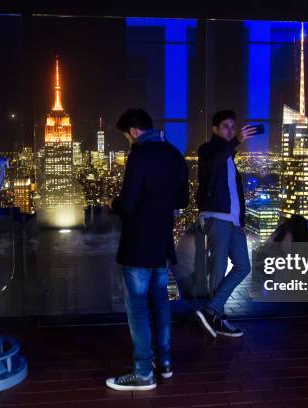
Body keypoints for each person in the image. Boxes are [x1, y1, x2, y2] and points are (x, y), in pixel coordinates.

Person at [105, 108, 189, 391]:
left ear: (134, 131)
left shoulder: (140, 155)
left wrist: (112, 203)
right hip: (163, 243)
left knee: (138, 308)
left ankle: (143, 374)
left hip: (138, 244)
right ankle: (164, 364)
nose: (128, 141)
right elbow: (183, 200)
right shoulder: (175, 154)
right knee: (161, 304)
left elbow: (127, 204)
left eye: (127, 135)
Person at [194, 110, 257, 338]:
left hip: (232, 220)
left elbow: (233, 192)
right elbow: (213, 164)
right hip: (216, 216)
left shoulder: (229, 156)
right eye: (225, 126)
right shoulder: (208, 150)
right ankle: (217, 319)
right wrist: (236, 141)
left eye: (233, 126)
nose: (231, 130)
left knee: (243, 266)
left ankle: (212, 311)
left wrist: (240, 220)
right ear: (214, 130)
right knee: (218, 270)